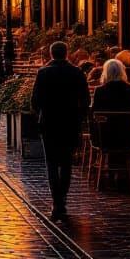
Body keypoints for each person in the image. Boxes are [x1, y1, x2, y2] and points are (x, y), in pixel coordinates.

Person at [31, 41, 90, 221]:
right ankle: (62, 198)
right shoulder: (77, 72)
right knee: (66, 163)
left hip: (49, 123)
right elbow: (86, 100)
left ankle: (57, 201)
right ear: (66, 53)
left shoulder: (43, 73)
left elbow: (35, 101)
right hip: (70, 123)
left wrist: (41, 113)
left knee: (51, 163)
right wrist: (79, 117)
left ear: (51, 54)